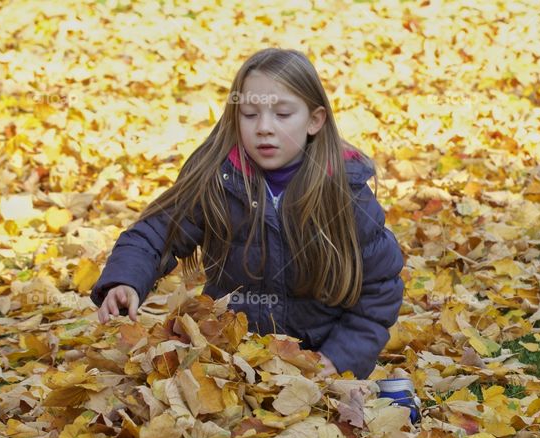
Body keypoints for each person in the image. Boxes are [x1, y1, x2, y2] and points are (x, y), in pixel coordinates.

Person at [90, 48, 405, 382]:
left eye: (282, 114)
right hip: (229, 359)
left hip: (313, 363)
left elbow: (379, 289)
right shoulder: (219, 179)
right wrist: (125, 280)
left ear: (315, 120)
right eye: (250, 114)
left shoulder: (345, 193)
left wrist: (338, 358)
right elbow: (155, 233)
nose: (264, 128)